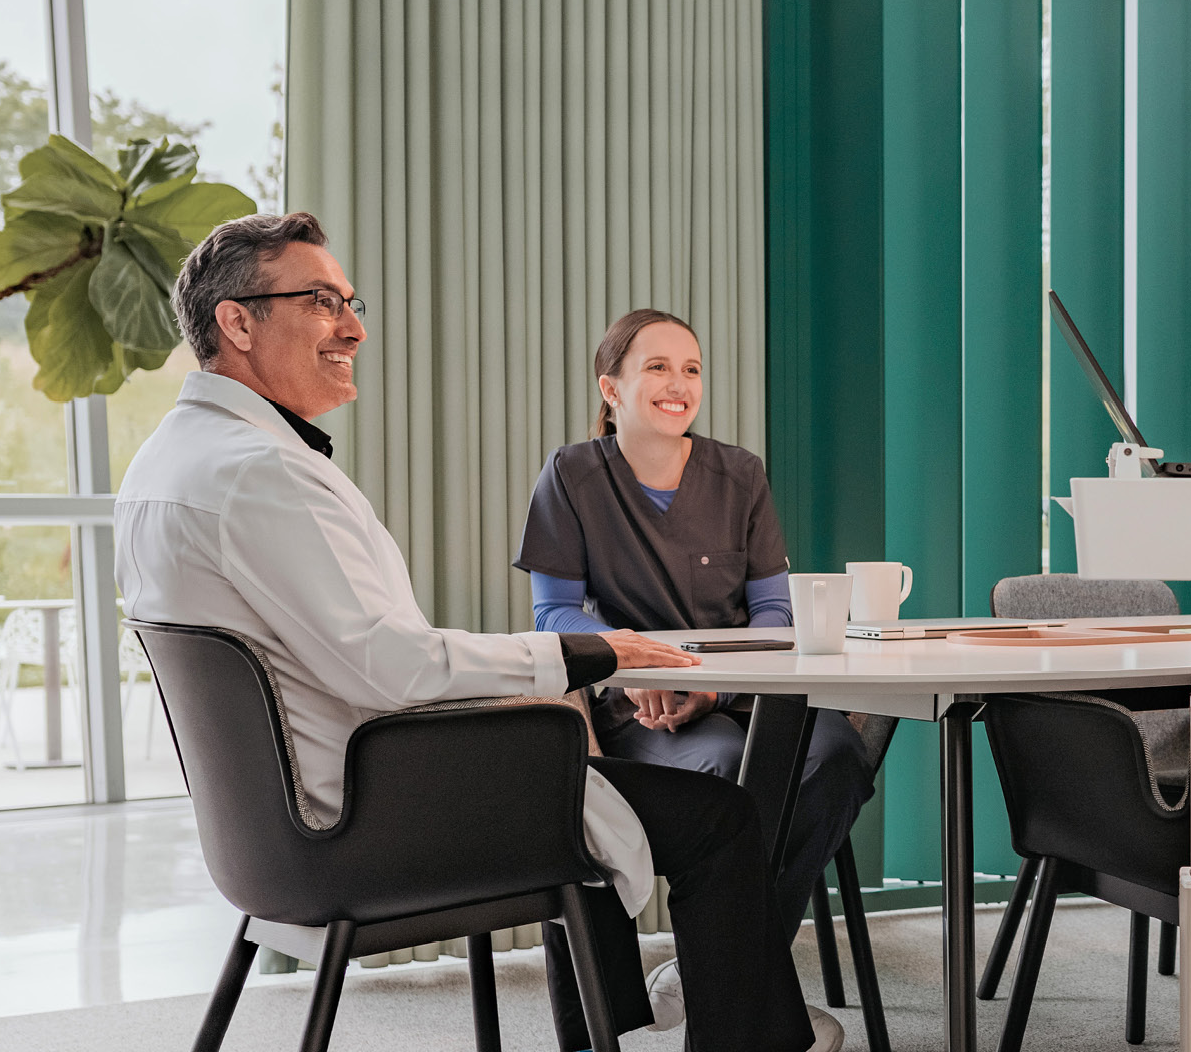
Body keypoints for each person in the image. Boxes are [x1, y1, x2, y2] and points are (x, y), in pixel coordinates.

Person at [115, 213, 839, 1051]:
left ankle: (630, 1029)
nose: (353, 326)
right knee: (716, 817)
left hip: (273, 835)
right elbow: (395, 667)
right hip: (365, 815)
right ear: (236, 322)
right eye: (320, 302)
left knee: (599, 766)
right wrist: (591, 653)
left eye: (350, 300)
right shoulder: (262, 471)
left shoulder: (165, 462)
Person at [514, 308, 872, 930]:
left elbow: (773, 611)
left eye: (692, 369)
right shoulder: (570, 476)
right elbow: (554, 612)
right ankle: (744, 976)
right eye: (657, 367)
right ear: (611, 388)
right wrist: (631, 659)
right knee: (726, 769)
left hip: (753, 692)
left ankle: (730, 962)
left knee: (837, 755)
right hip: (642, 706)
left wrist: (716, 685)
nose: (679, 385)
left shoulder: (741, 475)